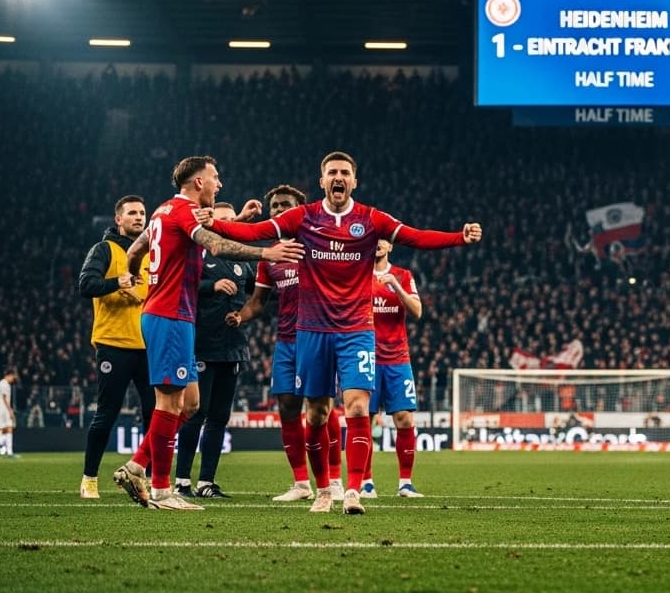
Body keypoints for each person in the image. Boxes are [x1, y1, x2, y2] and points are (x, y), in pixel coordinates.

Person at [204, 150, 481, 514]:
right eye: (332, 172)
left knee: (358, 406)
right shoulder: (303, 217)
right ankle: (322, 490)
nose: (338, 177)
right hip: (312, 331)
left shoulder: (370, 218)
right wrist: (214, 224)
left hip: (356, 329)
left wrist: (458, 237)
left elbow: (415, 237)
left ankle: (352, 491)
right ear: (322, 181)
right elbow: (255, 232)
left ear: (354, 181)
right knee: (317, 413)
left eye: (345, 173)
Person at [114, 156, 304, 511]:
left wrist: (136, 272)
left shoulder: (163, 211)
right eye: (215, 177)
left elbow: (137, 249)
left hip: (174, 316)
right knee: (168, 403)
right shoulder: (184, 210)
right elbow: (215, 245)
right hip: (170, 315)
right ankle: (162, 490)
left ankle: (137, 466)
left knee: (190, 404)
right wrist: (268, 252)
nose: (219, 184)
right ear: (198, 182)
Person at [237, 185, 328, 502]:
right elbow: (257, 302)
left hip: (317, 338)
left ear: (301, 208)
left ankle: (332, 481)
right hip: (286, 342)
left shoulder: (319, 246)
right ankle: (301, 484)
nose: (278, 210)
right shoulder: (270, 257)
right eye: (274, 206)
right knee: (288, 407)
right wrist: (239, 316)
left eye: (285, 205)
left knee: (320, 410)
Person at [174, 202, 258, 499]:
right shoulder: (197, 252)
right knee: (196, 412)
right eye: (221, 219)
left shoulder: (241, 260)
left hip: (232, 346)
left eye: (231, 220)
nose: (226, 224)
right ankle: (181, 481)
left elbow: (259, 294)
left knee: (220, 417)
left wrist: (242, 315)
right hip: (202, 344)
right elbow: (180, 284)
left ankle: (206, 482)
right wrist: (211, 285)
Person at [77, 195, 155, 498]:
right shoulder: (105, 249)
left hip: (148, 344)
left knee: (154, 414)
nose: (139, 217)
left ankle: (149, 479)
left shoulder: (151, 252)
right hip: (114, 344)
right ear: (118, 219)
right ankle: (89, 479)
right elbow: (86, 284)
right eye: (132, 213)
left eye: (142, 213)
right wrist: (116, 283)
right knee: (107, 413)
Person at [362, 238, 427, 498]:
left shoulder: (403, 275)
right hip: (366, 358)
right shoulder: (358, 275)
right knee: (363, 420)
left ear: (390, 247)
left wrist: (396, 286)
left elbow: (417, 311)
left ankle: (405, 484)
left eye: (383, 240)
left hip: (398, 358)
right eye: (374, 239)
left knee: (405, 419)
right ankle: (366, 483)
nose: (378, 243)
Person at [0, 369, 18, 457]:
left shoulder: (2, 383)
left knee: (7, 429)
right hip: (2, 409)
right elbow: (4, 399)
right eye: (13, 377)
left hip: (2, 409)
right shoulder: (4, 384)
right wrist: (10, 410)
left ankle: (8, 451)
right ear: (9, 375)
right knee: (5, 428)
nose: (13, 379)